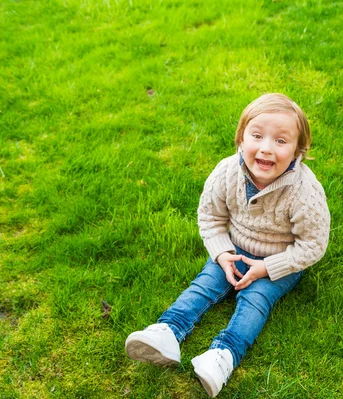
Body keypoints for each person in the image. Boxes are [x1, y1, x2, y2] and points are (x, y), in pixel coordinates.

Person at [125, 93, 330, 397]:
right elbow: (210, 216)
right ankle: (167, 330)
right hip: (234, 250)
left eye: (281, 141)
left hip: (280, 260)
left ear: (298, 151)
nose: (266, 148)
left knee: (255, 300)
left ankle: (223, 355)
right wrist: (222, 253)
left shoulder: (304, 192)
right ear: (240, 138)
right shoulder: (226, 172)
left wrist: (266, 268)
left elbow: (313, 244)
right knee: (205, 284)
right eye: (257, 136)